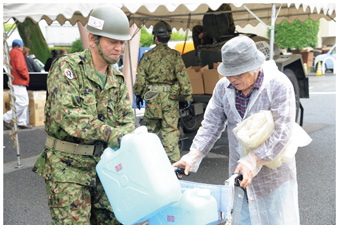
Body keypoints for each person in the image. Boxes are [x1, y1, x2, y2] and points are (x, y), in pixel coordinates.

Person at [173, 36, 301, 225]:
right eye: (229, 73)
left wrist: (254, 159)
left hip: (273, 175)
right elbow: (211, 124)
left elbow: (283, 132)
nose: (232, 79)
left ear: (255, 67)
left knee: (276, 220)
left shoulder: (278, 85)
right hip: (239, 174)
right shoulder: (223, 88)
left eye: (239, 74)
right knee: (243, 219)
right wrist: (192, 156)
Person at [32, 5, 135, 225]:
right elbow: (69, 116)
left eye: (122, 42)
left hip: (105, 168)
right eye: (112, 42)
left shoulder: (117, 79)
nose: (119, 48)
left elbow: (126, 121)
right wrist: (111, 133)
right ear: (92, 39)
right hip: (67, 168)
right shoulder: (67, 68)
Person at [133, 20, 193, 164]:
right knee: (170, 131)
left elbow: (140, 79)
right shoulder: (175, 56)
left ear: (155, 38)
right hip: (169, 99)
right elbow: (183, 77)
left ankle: (152, 165)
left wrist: (139, 94)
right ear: (169, 37)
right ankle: (174, 166)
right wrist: (188, 95)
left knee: (151, 132)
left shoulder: (147, 56)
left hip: (152, 98)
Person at [3, 39, 32, 130]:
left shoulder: (11, 52)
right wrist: (26, 77)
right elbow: (20, 67)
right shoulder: (18, 53)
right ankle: (5, 118)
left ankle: (21, 122)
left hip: (14, 80)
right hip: (19, 81)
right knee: (22, 103)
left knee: (23, 102)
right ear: (21, 46)